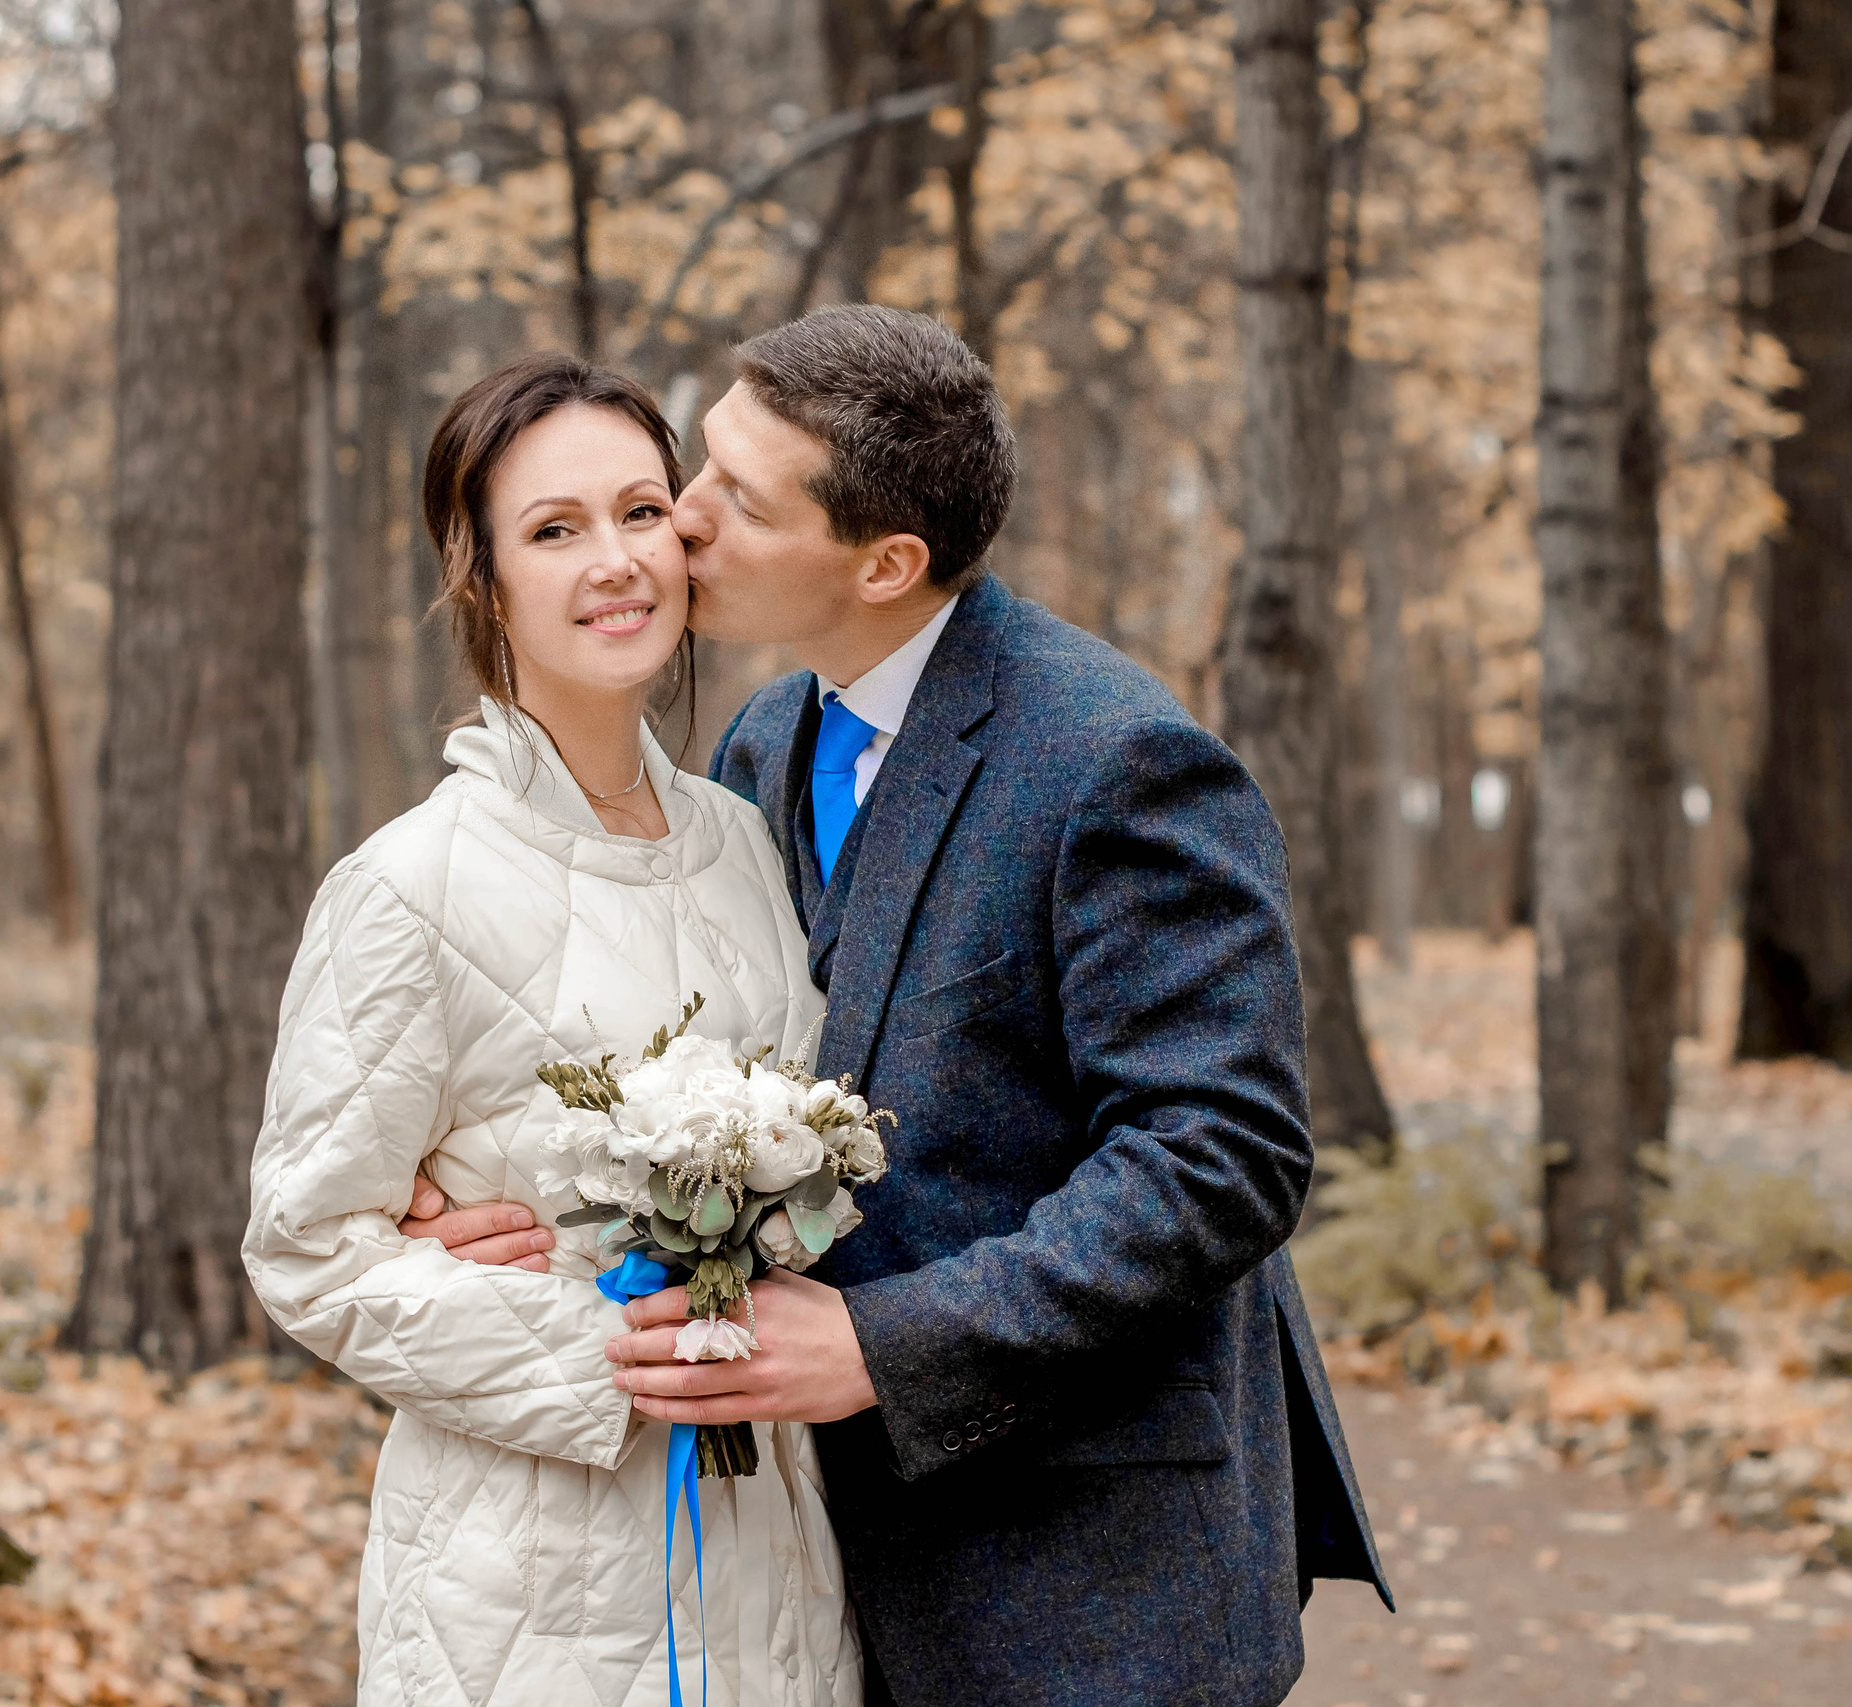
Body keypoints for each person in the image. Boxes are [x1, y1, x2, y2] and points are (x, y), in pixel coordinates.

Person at [596, 304, 1393, 1706]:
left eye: (740, 497)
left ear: (887, 563)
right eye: (698, 462)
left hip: (1085, 1574)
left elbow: (1220, 1160)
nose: (685, 517)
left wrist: (882, 1344)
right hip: (827, 1568)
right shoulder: (764, 740)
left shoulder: (1121, 762)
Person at [242, 353, 860, 1707]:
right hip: (523, 1590)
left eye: (644, 513)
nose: (617, 562)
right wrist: (610, 1352)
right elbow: (307, 1251)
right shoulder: (408, 887)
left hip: (778, 1549)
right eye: (555, 530)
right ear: (484, 576)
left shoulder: (748, 842)